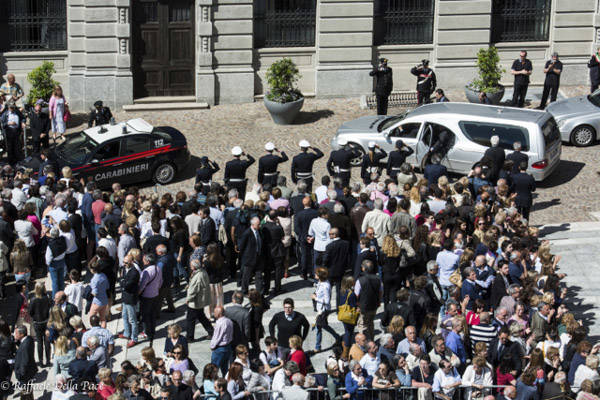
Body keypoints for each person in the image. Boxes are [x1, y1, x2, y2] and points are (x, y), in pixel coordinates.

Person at [186, 258, 214, 341]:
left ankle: (189, 337)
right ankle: (211, 332)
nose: (190, 266)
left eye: (191, 265)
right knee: (201, 317)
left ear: (194, 267)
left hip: (195, 301)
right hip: (200, 301)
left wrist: (188, 299)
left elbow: (194, 289)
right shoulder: (202, 272)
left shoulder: (198, 275)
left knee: (190, 319)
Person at [138, 253, 162, 346]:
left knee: (145, 315)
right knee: (152, 314)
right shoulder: (158, 268)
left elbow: (142, 285)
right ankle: (152, 331)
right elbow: (160, 281)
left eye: (144, 260)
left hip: (146, 296)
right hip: (155, 294)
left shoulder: (146, 271)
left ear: (147, 261)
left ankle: (146, 332)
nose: (142, 261)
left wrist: (138, 294)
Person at [238, 216, 266, 294]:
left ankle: (260, 293)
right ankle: (244, 291)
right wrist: (245, 256)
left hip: (258, 257)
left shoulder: (259, 231)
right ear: (253, 225)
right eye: (258, 225)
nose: (259, 226)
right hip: (249, 258)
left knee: (259, 276)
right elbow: (241, 246)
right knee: (246, 276)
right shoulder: (247, 233)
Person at [355, 260, 382, 340]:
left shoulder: (360, 280)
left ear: (363, 268)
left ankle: (364, 343)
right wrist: (379, 301)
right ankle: (371, 340)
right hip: (374, 305)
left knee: (362, 325)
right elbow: (380, 292)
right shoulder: (378, 279)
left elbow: (356, 295)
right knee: (370, 323)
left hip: (363, 306)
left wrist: (357, 305)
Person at [13, 325, 37, 400]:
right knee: (28, 390)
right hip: (29, 372)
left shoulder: (25, 346)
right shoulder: (29, 339)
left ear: (22, 334)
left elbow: (24, 361)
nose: (14, 335)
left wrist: (20, 375)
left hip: (25, 375)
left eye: (16, 333)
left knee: (25, 392)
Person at [211, 305, 234, 376]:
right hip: (228, 347)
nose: (213, 314)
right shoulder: (229, 321)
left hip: (220, 349)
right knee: (225, 368)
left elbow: (217, 337)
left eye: (214, 312)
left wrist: (212, 346)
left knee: (213, 369)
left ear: (219, 314)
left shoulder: (219, 323)